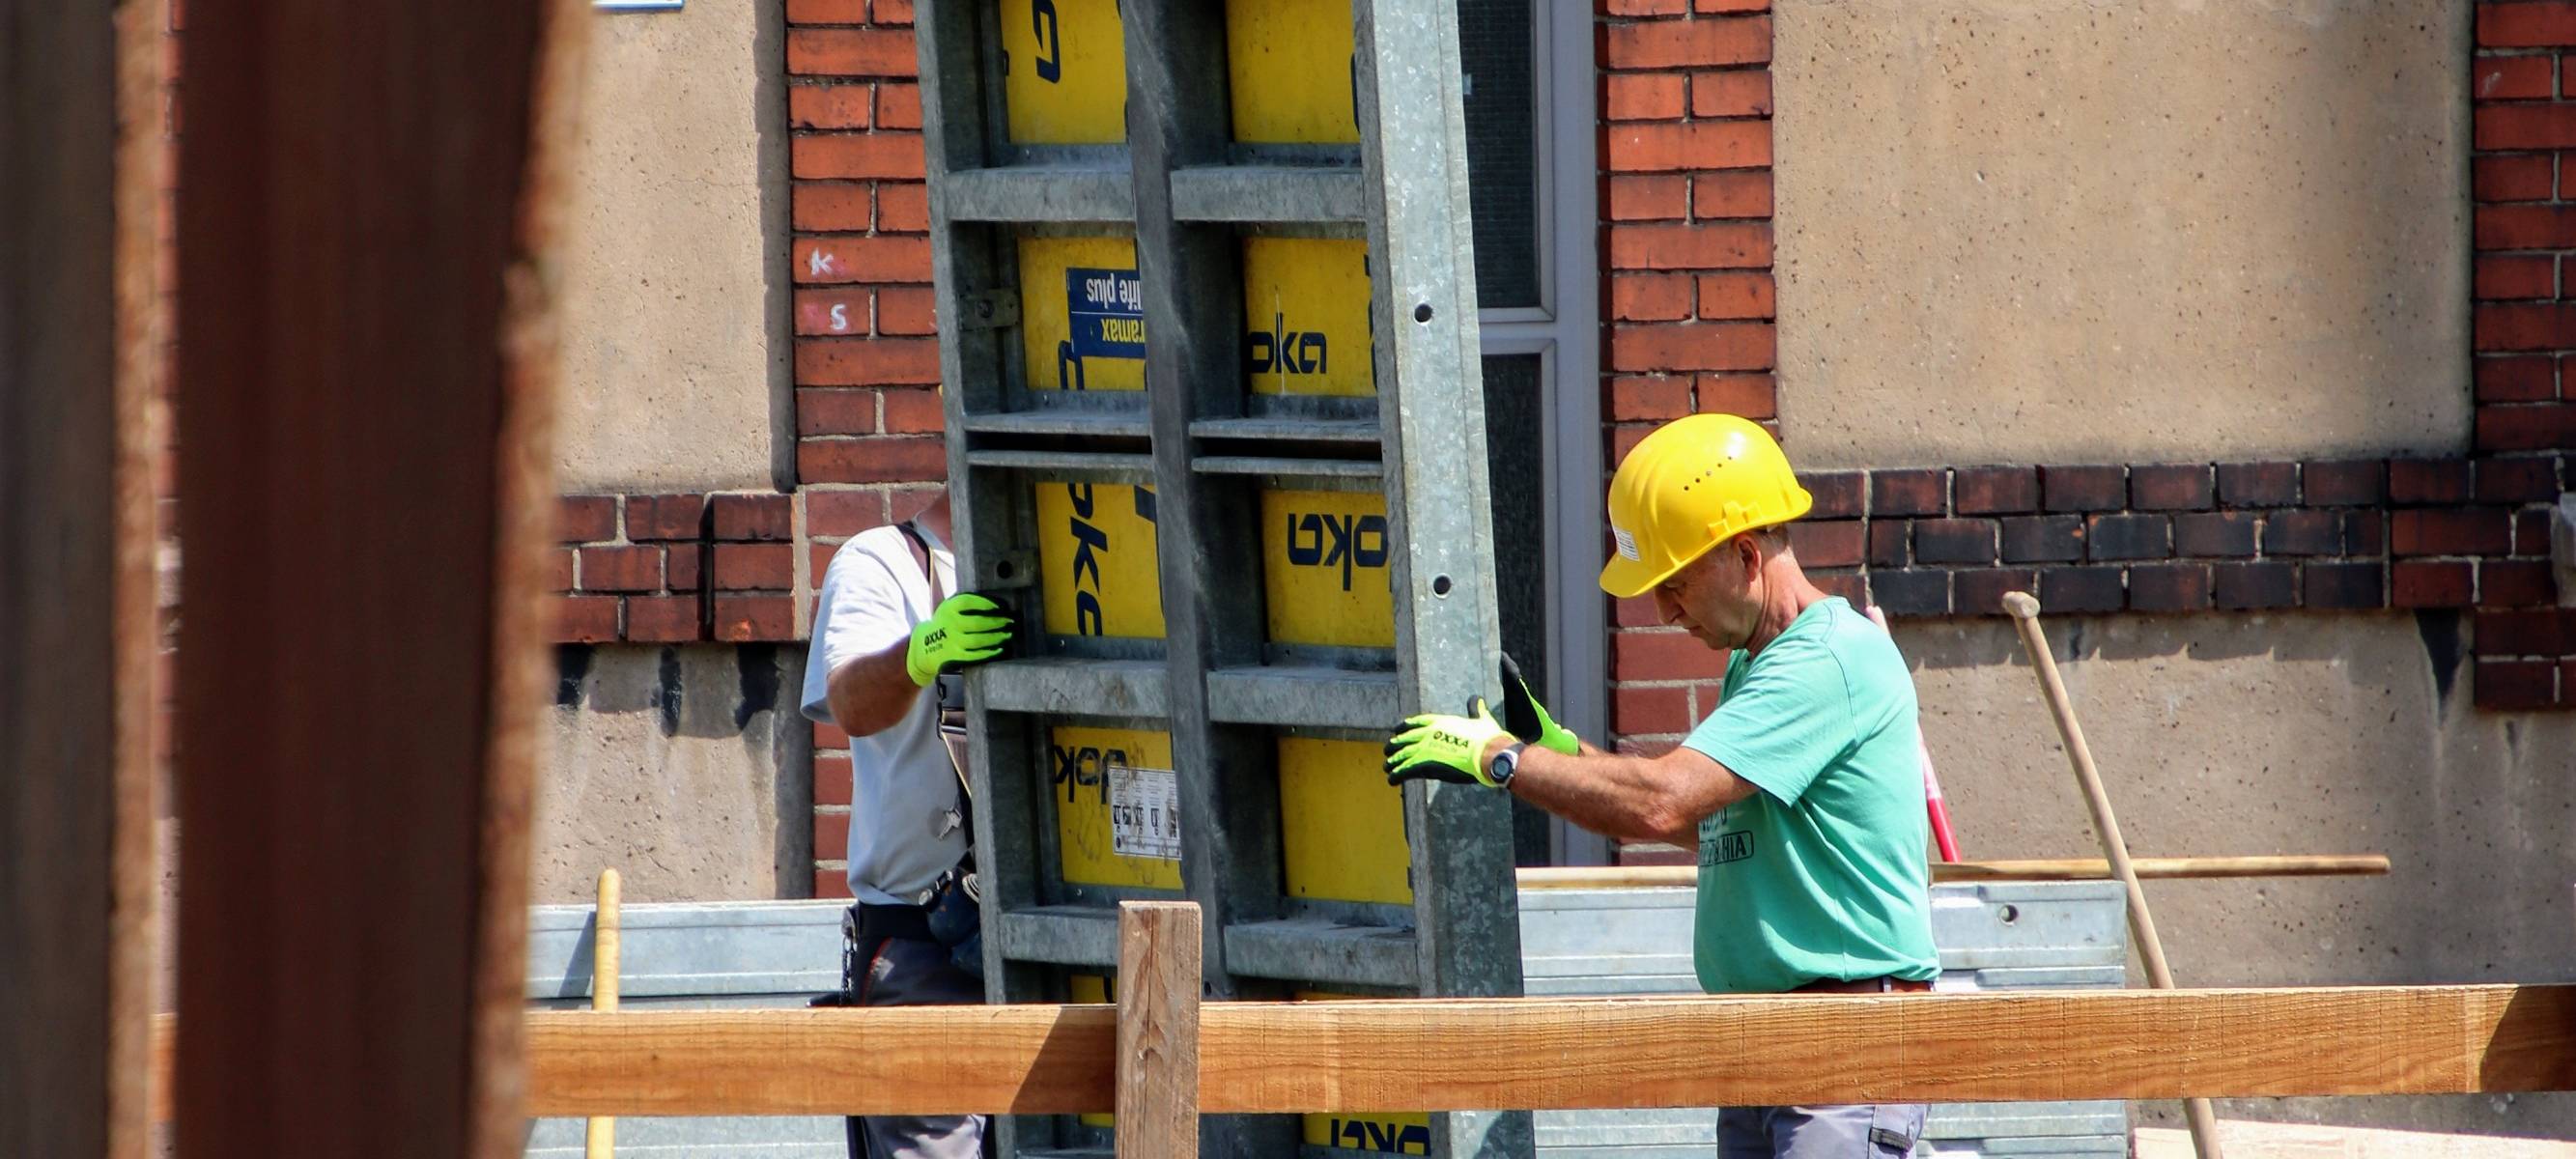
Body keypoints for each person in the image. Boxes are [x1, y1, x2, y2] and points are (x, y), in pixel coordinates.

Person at [1383, 413, 1939, 1159]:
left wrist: (1502, 759)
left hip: (1842, 1045)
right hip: (1768, 1043)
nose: (1663, 611)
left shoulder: (1825, 663)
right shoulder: (1759, 662)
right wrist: (1562, 752)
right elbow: (1704, 827)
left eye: (1673, 584)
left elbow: (1660, 801)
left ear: (1746, 553)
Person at [801, 486, 1014, 1159]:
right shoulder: (884, 562)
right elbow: (851, 701)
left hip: (1063, 948)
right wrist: (919, 654)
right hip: (924, 947)